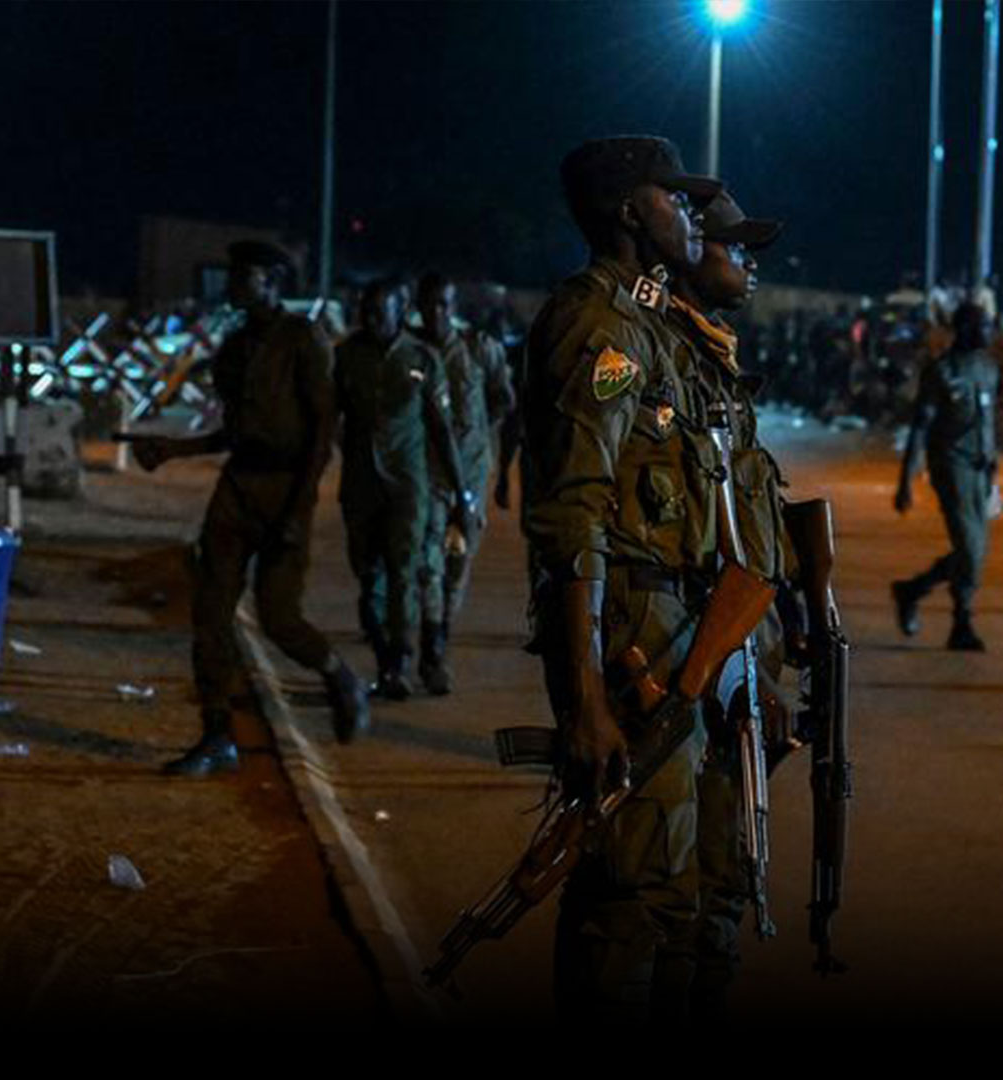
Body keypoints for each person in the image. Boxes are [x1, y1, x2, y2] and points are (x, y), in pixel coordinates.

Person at [519, 135, 723, 1019]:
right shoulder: (598, 323)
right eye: (673, 198)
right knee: (626, 891)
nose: (692, 214)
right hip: (624, 620)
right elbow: (574, 515)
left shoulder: (650, 324)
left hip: (670, 616)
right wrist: (590, 700)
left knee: (670, 884)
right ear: (629, 212)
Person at [132, 240, 370, 776]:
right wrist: (172, 450)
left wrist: (298, 508)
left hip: (286, 488)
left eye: (245, 276)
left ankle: (338, 675)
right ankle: (218, 735)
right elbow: (234, 433)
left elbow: (321, 430)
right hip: (239, 486)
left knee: (280, 618)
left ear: (271, 282)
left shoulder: (303, 339)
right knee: (210, 614)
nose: (234, 284)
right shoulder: (235, 347)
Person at [662, 188, 791, 1020]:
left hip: (737, 661)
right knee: (685, 894)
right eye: (734, 246)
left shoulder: (713, 359)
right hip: (691, 660)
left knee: (727, 885)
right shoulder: (665, 356)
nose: (749, 262)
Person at [332, 277, 470, 700]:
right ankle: (383, 653)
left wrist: (461, 494)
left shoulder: (421, 359)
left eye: (380, 311)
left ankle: (400, 663)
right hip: (360, 485)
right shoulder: (347, 356)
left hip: (409, 486)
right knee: (367, 573)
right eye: (365, 311)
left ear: (399, 310)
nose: (371, 319)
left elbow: (442, 430)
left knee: (404, 573)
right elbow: (328, 415)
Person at [411, 272, 514, 694]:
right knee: (427, 565)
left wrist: (479, 433)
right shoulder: (411, 353)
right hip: (425, 477)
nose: (437, 313)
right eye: (430, 305)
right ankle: (432, 651)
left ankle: (442, 629)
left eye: (444, 305)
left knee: (458, 563)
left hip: (470, 475)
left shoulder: (478, 349)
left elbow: (503, 396)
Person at [892, 301, 1000, 651]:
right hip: (951, 465)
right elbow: (920, 427)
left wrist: (994, 464)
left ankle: (913, 589)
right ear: (966, 328)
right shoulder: (941, 371)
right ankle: (961, 622)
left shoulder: (987, 368)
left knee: (976, 551)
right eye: (982, 325)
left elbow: (989, 421)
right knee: (970, 549)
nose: (988, 331)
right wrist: (906, 480)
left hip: (981, 468)